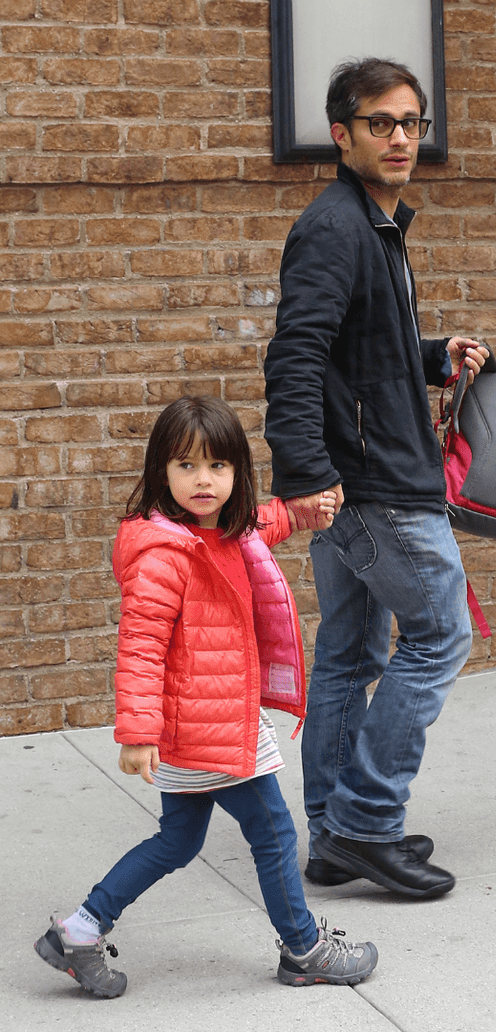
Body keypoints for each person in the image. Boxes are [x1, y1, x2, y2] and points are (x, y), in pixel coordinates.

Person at [33, 396, 377, 998]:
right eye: (186, 466)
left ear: (237, 473)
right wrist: (137, 732)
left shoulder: (221, 531)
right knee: (273, 834)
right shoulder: (164, 556)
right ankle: (303, 948)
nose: (203, 481)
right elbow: (140, 647)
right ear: (160, 472)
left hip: (206, 720)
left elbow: (261, 525)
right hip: (208, 725)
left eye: (218, 466)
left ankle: (80, 931)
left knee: (178, 840)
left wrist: (302, 512)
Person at [263, 58, 489, 900]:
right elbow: (294, 358)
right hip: (370, 486)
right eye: (380, 123)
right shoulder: (335, 228)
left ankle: (332, 835)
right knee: (440, 636)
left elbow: (353, 351)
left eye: (411, 123)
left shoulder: (375, 225)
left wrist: (432, 357)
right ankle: (366, 820)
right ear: (342, 134)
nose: (400, 138)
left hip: (354, 478)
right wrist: (306, 477)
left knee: (350, 652)